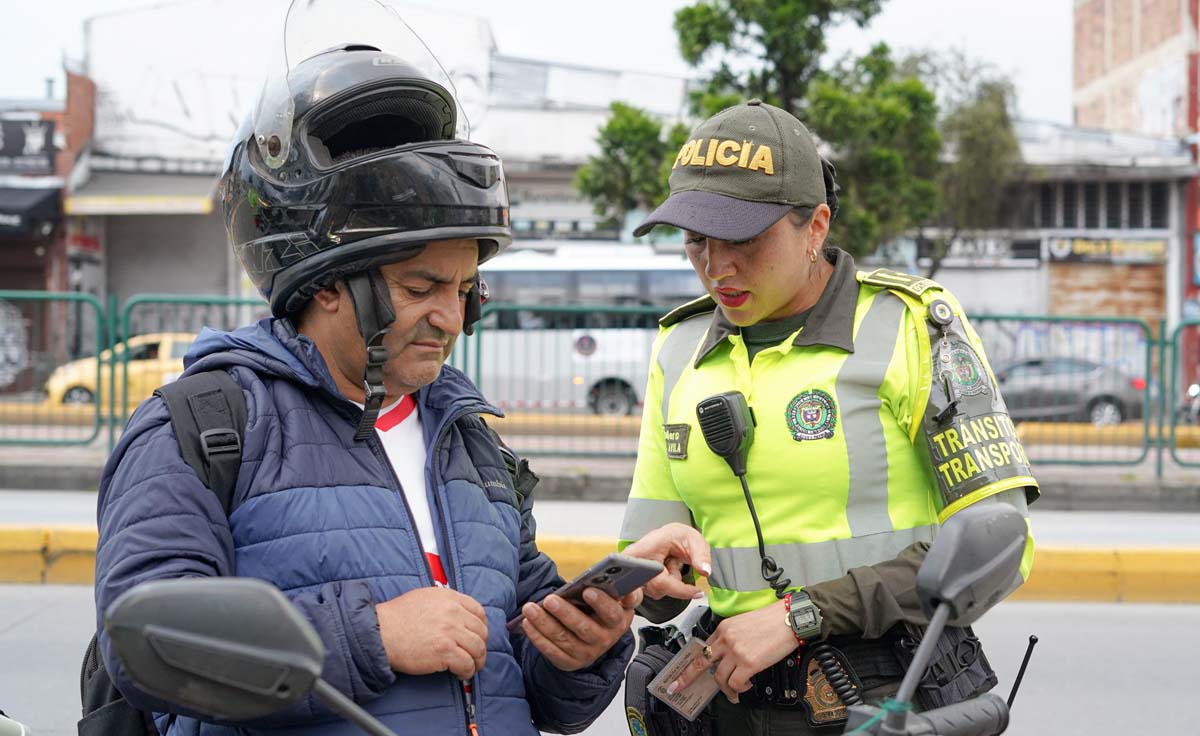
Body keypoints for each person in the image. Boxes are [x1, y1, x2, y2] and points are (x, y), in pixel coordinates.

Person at [93, 43, 644, 736]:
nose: (452, 318)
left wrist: (580, 653)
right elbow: (146, 646)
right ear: (323, 281)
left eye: (466, 290)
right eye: (422, 288)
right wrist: (371, 636)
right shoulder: (203, 430)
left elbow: (529, 689)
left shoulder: (469, 444)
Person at [617, 100, 1039, 735]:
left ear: (815, 226)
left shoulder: (911, 327)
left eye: (742, 240)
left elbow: (1002, 543)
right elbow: (648, 555)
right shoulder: (677, 349)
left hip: (883, 696)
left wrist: (797, 616)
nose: (717, 267)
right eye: (696, 241)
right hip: (728, 702)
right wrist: (645, 579)